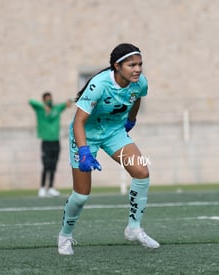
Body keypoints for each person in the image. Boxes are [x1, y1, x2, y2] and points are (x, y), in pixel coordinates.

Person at [57, 43, 160, 255]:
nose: (138, 69)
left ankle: (133, 228)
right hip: (86, 134)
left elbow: (138, 96)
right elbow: (78, 122)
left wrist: (131, 119)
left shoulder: (140, 82)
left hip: (114, 133)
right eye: (132, 65)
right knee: (81, 195)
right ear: (117, 66)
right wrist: (84, 150)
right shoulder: (99, 85)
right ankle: (65, 235)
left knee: (141, 171)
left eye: (140, 64)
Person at [29, 92, 72, 198]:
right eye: (47, 99)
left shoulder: (56, 108)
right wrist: (44, 106)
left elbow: (68, 103)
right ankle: (42, 188)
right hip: (46, 142)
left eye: (50, 98)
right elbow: (31, 101)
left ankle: (51, 187)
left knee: (53, 165)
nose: (49, 100)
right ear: (44, 100)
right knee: (46, 165)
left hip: (56, 141)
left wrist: (71, 100)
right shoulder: (40, 109)